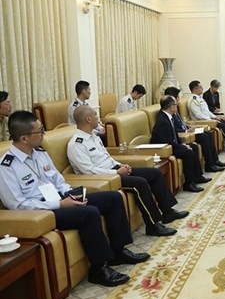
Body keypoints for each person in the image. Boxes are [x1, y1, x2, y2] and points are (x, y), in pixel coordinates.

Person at [0, 111, 149, 287]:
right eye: (40, 131)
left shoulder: (40, 153)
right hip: (44, 212)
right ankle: (99, 268)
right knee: (89, 213)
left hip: (61, 199)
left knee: (113, 198)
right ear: (24, 138)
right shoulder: (6, 167)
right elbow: (17, 205)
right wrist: (60, 204)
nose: (43, 134)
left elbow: (57, 180)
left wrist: (70, 193)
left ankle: (118, 251)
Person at [67, 105, 188, 236]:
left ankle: (168, 212)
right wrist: (116, 173)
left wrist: (120, 165)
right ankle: (153, 225)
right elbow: (88, 171)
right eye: (96, 115)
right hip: (104, 178)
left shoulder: (94, 136)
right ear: (88, 119)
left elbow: (106, 157)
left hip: (114, 170)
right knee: (140, 183)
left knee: (154, 173)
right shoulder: (76, 144)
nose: (98, 118)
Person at [151, 95, 210, 193]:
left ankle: (197, 176)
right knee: (188, 152)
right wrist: (183, 146)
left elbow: (174, 136)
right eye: (175, 104)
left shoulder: (168, 116)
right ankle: (189, 183)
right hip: (163, 148)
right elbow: (168, 141)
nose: (177, 105)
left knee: (193, 147)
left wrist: (183, 144)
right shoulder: (163, 121)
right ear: (171, 106)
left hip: (171, 145)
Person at [164, 87, 225, 173]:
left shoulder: (174, 109)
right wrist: (186, 131)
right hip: (184, 134)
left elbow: (181, 123)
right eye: (178, 97)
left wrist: (188, 127)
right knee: (205, 137)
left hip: (187, 130)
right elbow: (174, 128)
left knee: (208, 134)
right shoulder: (168, 112)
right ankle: (209, 165)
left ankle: (214, 161)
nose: (179, 100)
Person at [188, 80, 225, 150]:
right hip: (204, 122)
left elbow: (207, 111)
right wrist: (212, 120)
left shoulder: (200, 99)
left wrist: (215, 117)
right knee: (224, 126)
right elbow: (198, 115)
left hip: (209, 119)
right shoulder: (193, 101)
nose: (202, 88)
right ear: (195, 89)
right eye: (200, 87)